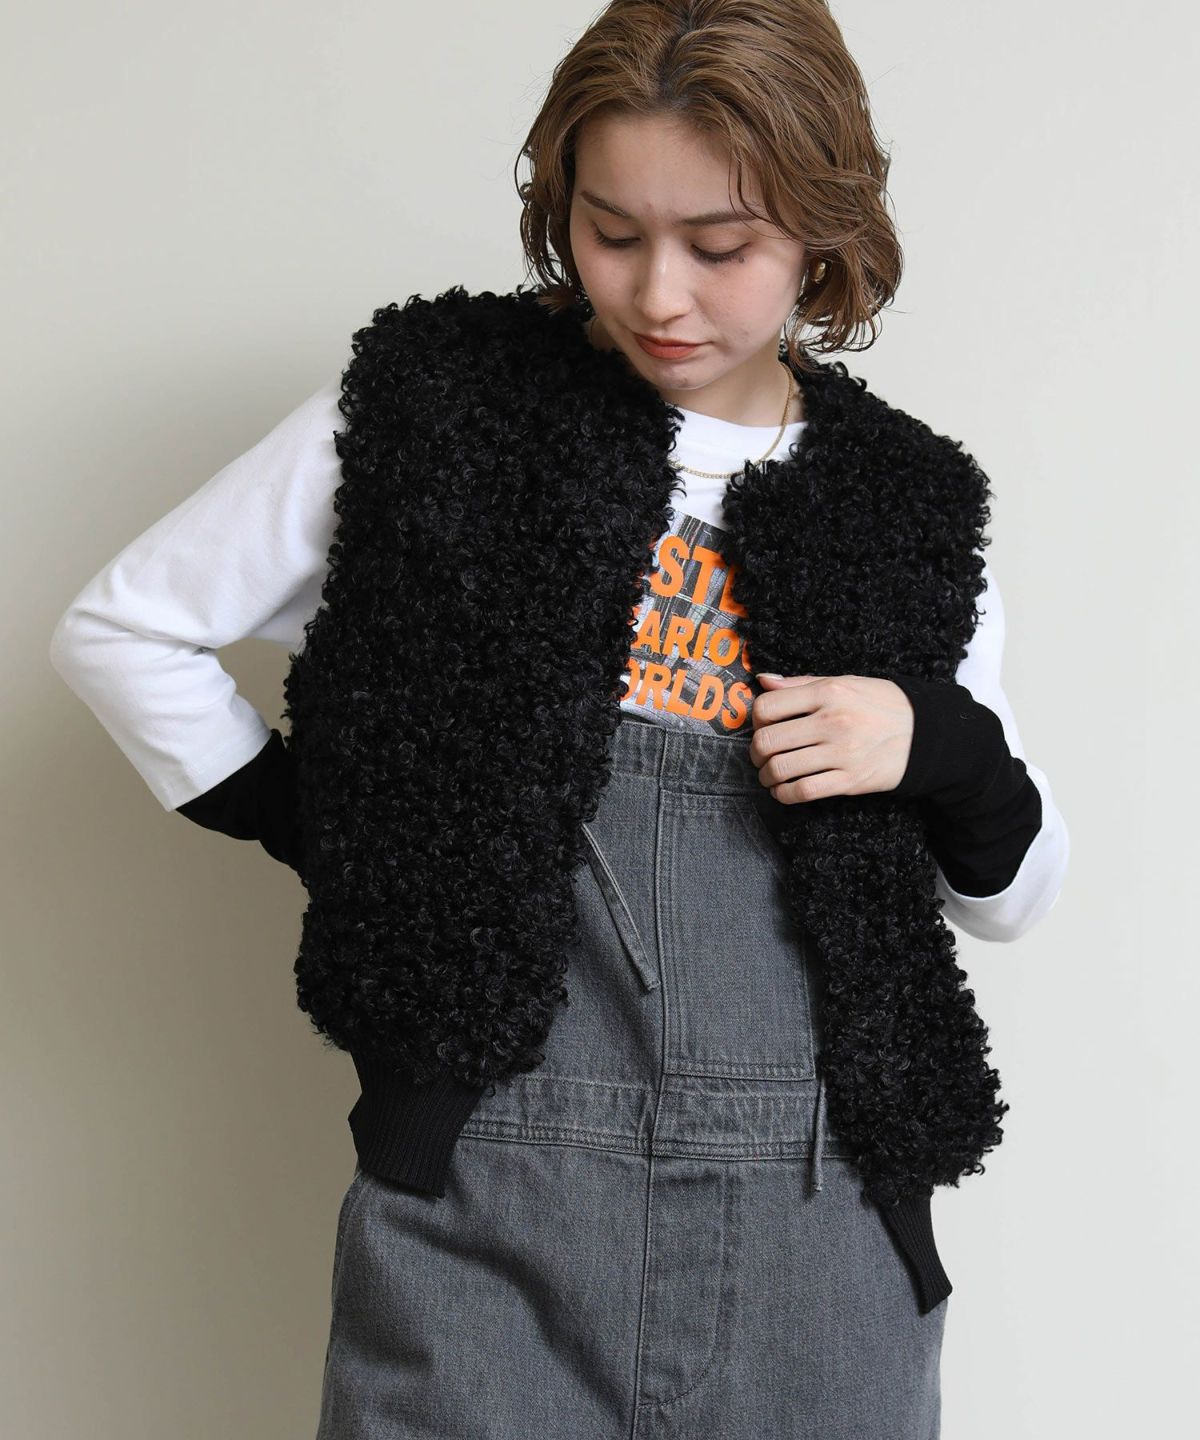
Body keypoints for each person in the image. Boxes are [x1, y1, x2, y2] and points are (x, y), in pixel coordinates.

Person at [49, 2, 1069, 1435]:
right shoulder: (436, 413)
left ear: (824, 229)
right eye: (612, 231)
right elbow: (123, 629)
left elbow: (1014, 902)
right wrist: (344, 831)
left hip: (821, 1232)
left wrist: (940, 745)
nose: (659, 293)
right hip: (484, 1219)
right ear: (560, 205)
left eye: (721, 246)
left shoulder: (904, 503)